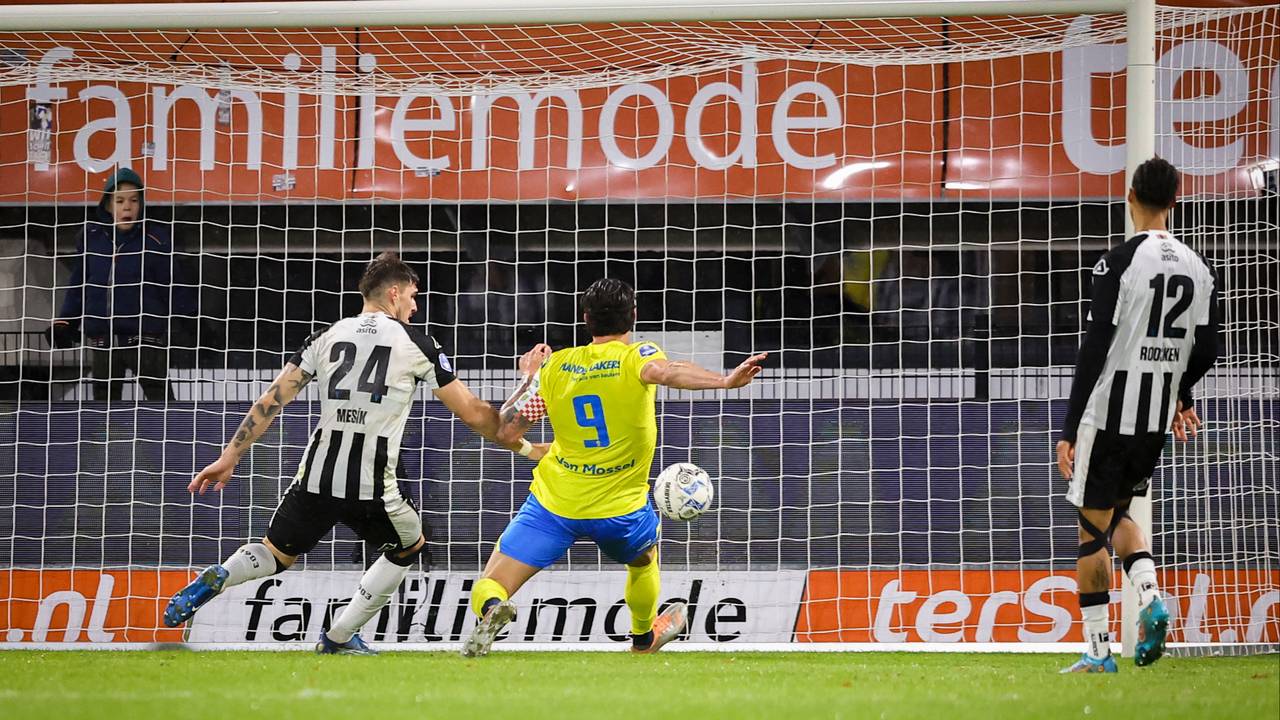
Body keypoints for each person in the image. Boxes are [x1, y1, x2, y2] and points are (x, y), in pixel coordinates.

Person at [163, 252, 542, 654]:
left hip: (316, 476)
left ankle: (224, 573)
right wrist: (523, 404)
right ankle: (339, 636)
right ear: (393, 293)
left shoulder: (325, 336)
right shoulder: (417, 343)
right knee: (408, 547)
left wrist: (230, 456)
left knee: (275, 553)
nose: (415, 306)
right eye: (412, 296)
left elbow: (271, 400)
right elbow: (474, 415)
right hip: (372, 484)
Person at [460, 278, 767, 656]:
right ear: (633, 316)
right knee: (644, 560)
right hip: (620, 511)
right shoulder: (636, 357)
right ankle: (642, 638)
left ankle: (493, 608)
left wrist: (530, 377)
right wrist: (724, 381)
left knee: (492, 580)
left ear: (585, 319)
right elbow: (667, 371)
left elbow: (506, 430)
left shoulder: (556, 367)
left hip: (555, 505)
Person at [1056, 157, 1221, 673]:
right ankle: (1150, 596)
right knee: (1119, 513)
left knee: (1091, 529)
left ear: (1130, 197)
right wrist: (1179, 393)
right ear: (1175, 201)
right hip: (1152, 420)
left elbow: (1095, 347)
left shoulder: (1118, 263)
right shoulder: (1199, 268)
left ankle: (1098, 651)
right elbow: (1207, 349)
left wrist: (1069, 429)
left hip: (1109, 413)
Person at [50, 167, 178, 401]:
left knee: (161, 402)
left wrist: (191, 321)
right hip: (103, 341)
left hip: (146, 340)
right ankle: (106, 428)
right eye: (119, 201)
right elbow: (79, 285)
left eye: (133, 200)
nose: (127, 207)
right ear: (108, 206)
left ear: (141, 205)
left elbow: (173, 286)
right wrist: (66, 321)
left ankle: (169, 427)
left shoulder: (155, 240)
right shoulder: (92, 239)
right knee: (104, 404)